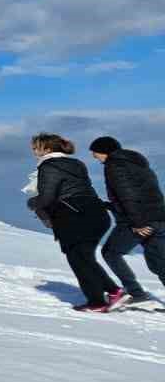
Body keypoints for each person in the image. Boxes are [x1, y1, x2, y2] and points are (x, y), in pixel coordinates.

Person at [25, 133, 124, 312]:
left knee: (79, 260)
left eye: (36, 147)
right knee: (84, 258)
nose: (34, 151)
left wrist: (32, 203)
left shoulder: (49, 166)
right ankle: (113, 291)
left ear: (47, 149)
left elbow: (47, 197)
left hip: (75, 216)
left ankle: (98, 303)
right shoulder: (76, 163)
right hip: (96, 213)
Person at [91, 137, 165, 305]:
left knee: (111, 253)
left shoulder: (114, 165)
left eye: (95, 152)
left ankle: (136, 293)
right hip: (158, 218)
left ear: (105, 151)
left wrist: (138, 223)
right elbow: (145, 194)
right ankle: (137, 294)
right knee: (160, 262)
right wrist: (110, 206)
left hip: (138, 221)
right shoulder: (139, 164)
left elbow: (128, 196)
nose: (94, 156)